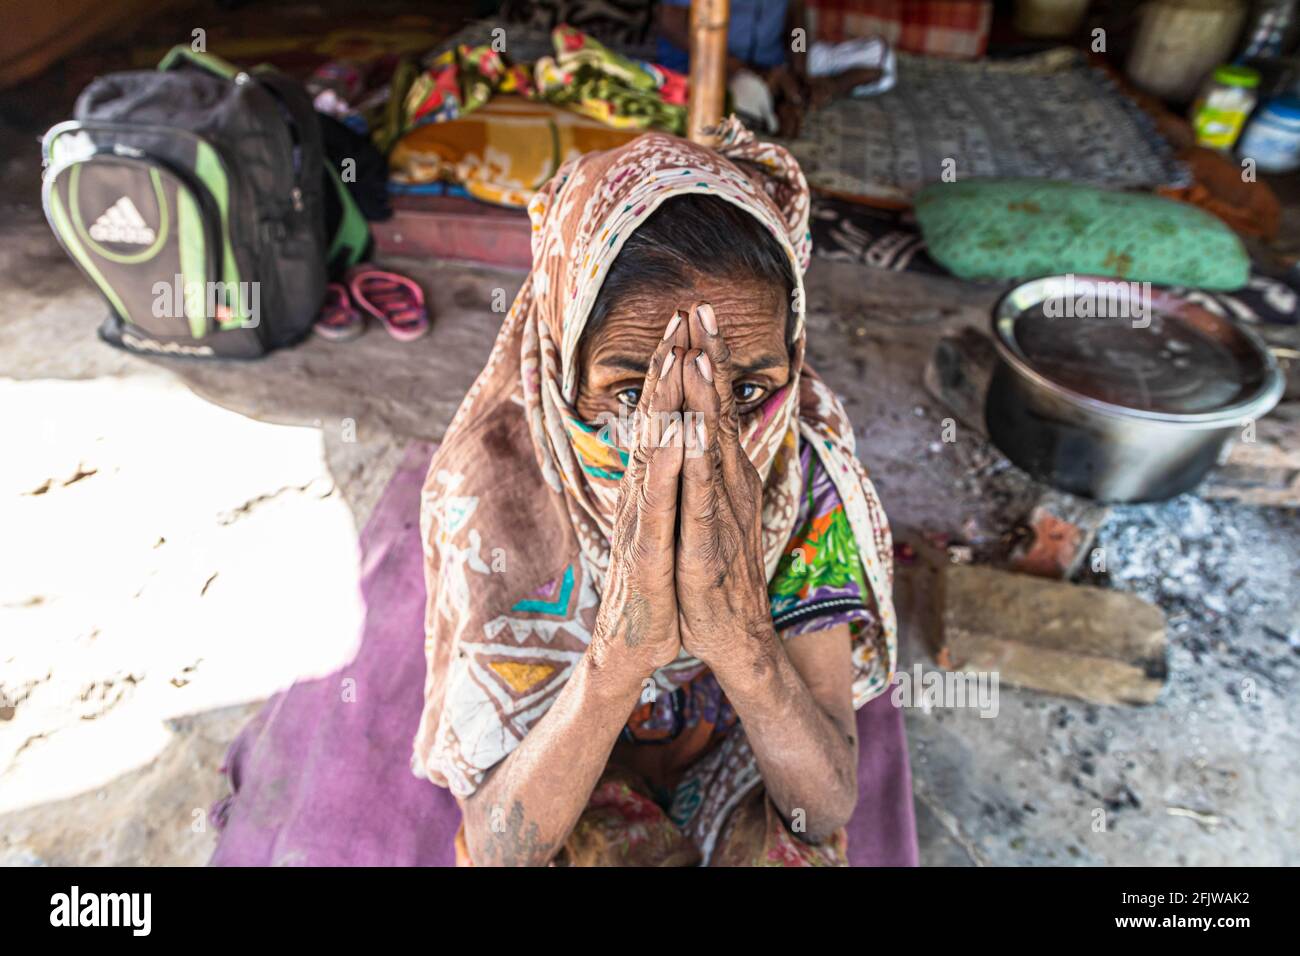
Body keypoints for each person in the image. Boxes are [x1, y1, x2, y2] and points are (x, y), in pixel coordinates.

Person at [412, 121, 905, 866]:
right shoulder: (494, 495)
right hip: (571, 764)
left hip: (737, 752)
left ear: (791, 359)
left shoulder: (797, 479)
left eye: (744, 388)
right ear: (560, 366)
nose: (688, 435)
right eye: (633, 390)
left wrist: (740, 638)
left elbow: (819, 808)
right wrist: (620, 657)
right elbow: (499, 845)